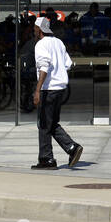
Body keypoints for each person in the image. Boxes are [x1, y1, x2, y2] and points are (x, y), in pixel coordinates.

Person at [32, 16, 83, 169]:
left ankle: (46, 159)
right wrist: (59, 74)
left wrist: (38, 90)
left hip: (48, 89)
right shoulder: (58, 42)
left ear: (39, 30)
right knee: (52, 123)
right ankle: (72, 148)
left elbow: (44, 67)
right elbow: (67, 63)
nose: (33, 31)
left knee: (43, 124)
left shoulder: (41, 45)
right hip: (60, 89)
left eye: (35, 28)